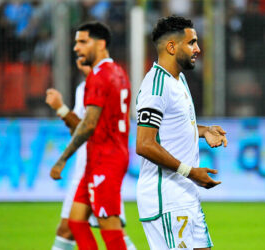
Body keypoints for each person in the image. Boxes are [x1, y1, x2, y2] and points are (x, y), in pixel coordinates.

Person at [136, 16, 228, 250]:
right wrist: (191, 173)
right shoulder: (155, 86)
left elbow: (172, 128)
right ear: (171, 46)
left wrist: (205, 130)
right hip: (167, 198)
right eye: (192, 43)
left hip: (186, 195)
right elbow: (144, 144)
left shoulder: (179, 80)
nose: (198, 48)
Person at [50, 21, 131, 250]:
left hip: (106, 159)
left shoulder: (99, 76)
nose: (76, 48)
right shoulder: (117, 72)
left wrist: (62, 159)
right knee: (76, 221)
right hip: (100, 157)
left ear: (101, 44)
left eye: (83, 42)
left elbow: (88, 125)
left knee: (111, 229)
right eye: (76, 42)